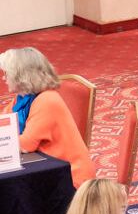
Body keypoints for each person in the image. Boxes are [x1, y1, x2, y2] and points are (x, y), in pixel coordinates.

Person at [0, 47, 96, 187]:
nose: (4, 78)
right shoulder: (22, 100)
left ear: (21, 76)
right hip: (45, 169)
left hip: (70, 178)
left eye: (7, 74)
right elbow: (3, 124)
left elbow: (26, 144)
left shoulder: (47, 101)